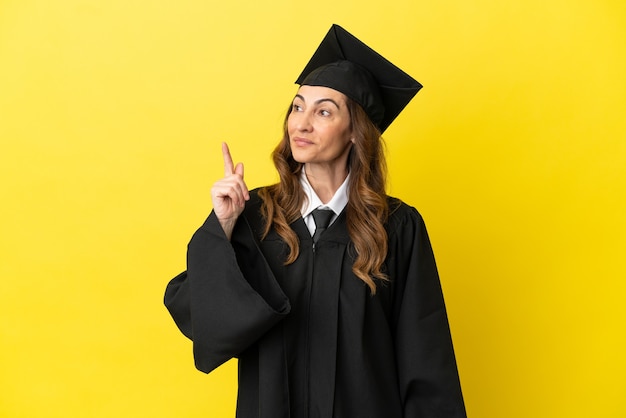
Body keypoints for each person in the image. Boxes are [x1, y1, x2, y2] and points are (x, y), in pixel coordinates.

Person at [164, 24, 466, 418]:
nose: (301, 124)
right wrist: (221, 227)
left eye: (324, 111)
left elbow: (425, 360)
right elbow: (201, 318)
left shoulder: (396, 227)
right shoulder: (256, 215)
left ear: (356, 133)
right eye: (297, 106)